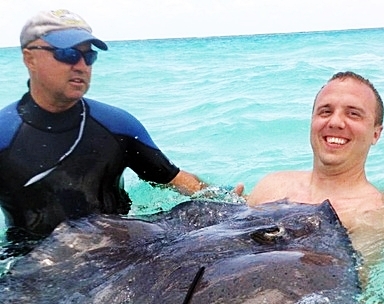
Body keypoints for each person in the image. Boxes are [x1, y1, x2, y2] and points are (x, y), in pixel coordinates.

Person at [0, 9, 242, 248]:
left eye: (89, 56)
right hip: (30, 263)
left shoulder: (116, 126)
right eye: (68, 54)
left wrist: (231, 201)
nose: (82, 65)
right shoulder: (4, 135)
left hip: (118, 256)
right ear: (29, 58)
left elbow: (175, 180)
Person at [247, 71, 384, 265]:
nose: (335, 122)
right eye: (325, 111)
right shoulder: (271, 185)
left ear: (376, 133)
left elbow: (353, 285)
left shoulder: (377, 213)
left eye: (353, 114)